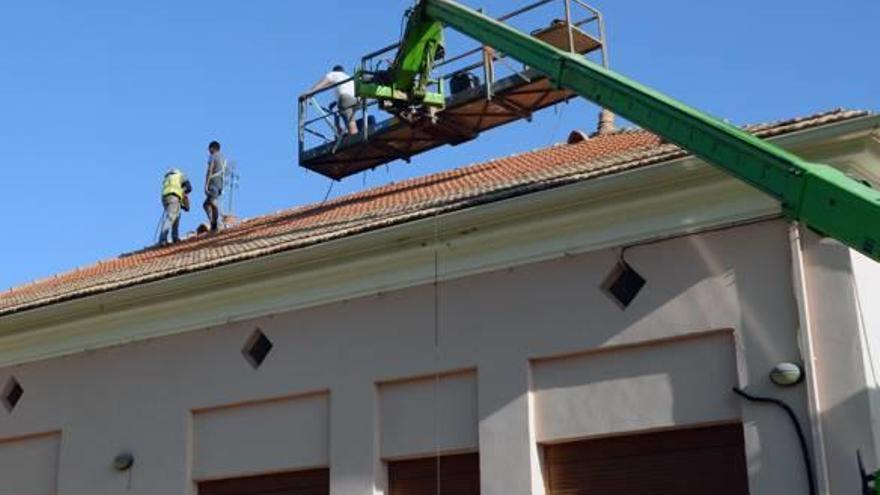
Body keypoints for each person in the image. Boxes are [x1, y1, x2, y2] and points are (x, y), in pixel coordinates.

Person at [308, 65, 359, 136]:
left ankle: (353, 137)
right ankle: (343, 134)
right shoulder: (348, 78)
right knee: (345, 116)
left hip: (345, 99)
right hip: (355, 100)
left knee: (350, 123)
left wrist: (309, 92)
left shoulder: (334, 74)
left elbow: (322, 84)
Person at [158, 168, 192, 246]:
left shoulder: (167, 178)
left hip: (165, 199)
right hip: (174, 197)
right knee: (171, 217)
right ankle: (162, 240)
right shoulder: (180, 175)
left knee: (176, 216)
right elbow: (189, 187)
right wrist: (183, 193)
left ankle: (175, 237)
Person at [203, 140, 226, 232]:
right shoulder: (223, 158)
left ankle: (217, 224)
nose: (208, 150)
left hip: (213, 182)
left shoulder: (213, 156)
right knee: (206, 204)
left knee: (212, 202)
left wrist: (206, 184)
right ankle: (214, 223)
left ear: (212, 148)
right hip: (220, 183)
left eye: (209, 149)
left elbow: (210, 169)